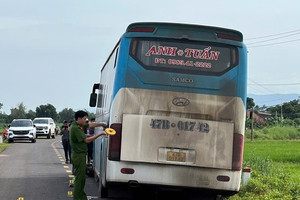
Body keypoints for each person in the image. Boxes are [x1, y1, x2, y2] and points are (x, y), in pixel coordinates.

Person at [70, 110, 107, 200]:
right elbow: (86, 141)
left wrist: (102, 124)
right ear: (78, 119)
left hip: (80, 155)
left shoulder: (78, 126)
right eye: (84, 118)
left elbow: (90, 125)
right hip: (78, 156)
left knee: (82, 178)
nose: (86, 120)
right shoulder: (75, 128)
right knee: (79, 179)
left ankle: (81, 196)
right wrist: (100, 134)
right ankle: (77, 197)